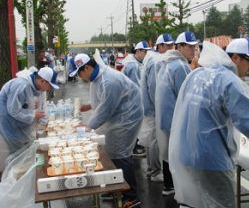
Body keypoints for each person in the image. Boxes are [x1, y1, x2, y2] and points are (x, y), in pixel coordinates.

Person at [169, 39, 249, 208]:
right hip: (212, 158)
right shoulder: (229, 81)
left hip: (187, 152)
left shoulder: (197, 74)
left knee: (194, 203)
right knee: (220, 203)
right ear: (236, 58)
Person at [69, 54, 143, 208]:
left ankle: (131, 196)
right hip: (117, 114)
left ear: (87, 67)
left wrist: (87, 127)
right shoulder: (96, 78)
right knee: (109, 151)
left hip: (127, 117)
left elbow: (106, 109)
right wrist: (89, 106)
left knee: (121, 154)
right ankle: (115, 187)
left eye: (79, 73)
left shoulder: (109, 80)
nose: (79, 76)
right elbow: (102, 100)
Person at [155, 31, 198, 195]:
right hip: (176, 119)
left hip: (166, 118)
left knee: (168, 152)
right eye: (189, 46)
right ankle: (179, 188)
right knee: (178, 154)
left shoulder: (167, 63)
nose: (193, 50)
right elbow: (187, 95)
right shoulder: (180, 66)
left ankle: (169, 185)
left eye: (195, 46)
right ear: (179, 47)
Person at [0, 67, 59, 172]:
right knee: (17, 156)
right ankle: (14, 181)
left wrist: (45, 123)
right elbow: (13, 110)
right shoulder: (21, 85)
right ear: (42, 81)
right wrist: (33, 114)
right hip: (9, 124)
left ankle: (23, 176)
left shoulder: (37, 89)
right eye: (49, 85)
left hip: (20, 125)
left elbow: (41, 108)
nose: (49, 89)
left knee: (25, 151)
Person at [140, 33, 174, 182]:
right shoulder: (155, 62)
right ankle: (155, 172)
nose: (170, 48)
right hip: (154, 108)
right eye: (167, 46)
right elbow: (154, 88)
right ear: (159, 46)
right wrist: (159, 107)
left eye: (172, 45)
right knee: (154, 140)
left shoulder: (153, 59)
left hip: (150, 107)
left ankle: (150, 169)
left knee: (150, 140)